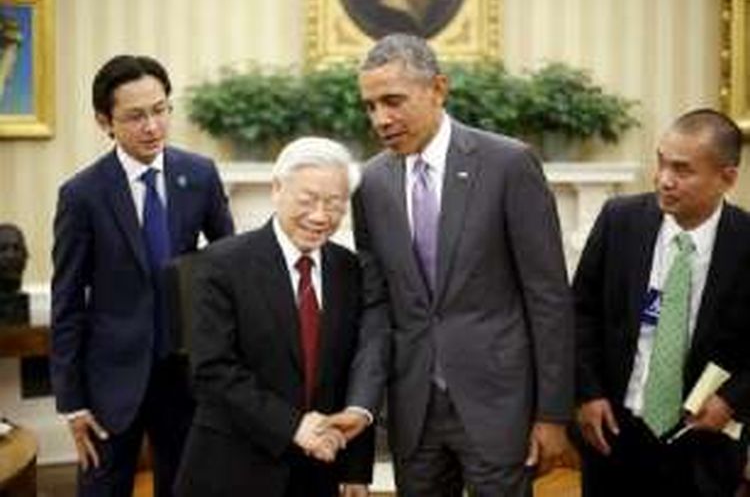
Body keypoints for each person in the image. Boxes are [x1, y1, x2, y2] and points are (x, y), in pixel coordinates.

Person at [329, 33, 576, 496]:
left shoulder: (508, 164)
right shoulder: (373, 184)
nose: (380, 118)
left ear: (438, 89)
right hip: (413, 412)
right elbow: (377, 306)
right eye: (370, 106)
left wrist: (552, 413)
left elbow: (548, 297)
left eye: (393, 101)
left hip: (499, 407)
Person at [50, 55, 234, 497]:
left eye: (160, 109)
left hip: (186, 377)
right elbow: (68, 301)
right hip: (109, 384)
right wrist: (72, 404)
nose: (152, 126)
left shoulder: (199, 174)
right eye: (135, 116)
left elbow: (232, 264)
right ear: (104, 121)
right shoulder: (82, 195)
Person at [174, 137, 374, 497]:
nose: (320, 216)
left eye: (334, 204)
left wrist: (356, 470)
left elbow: (352, 372)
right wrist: (293, 426)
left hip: (319, 472)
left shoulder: (348, 269)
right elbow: (212, 371)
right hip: (233, 471)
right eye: (308, 200)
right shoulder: (221, 264)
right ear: (277, 189)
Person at [573, 108, 750, 496]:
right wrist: (588, 393)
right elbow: (579, 312)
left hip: (702, 440)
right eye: (661, 162)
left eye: (683, 170)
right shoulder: (619, 220)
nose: (664, 180)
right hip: (614, 432)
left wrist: (733, 401)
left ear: (727, 178)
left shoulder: (746, 241)